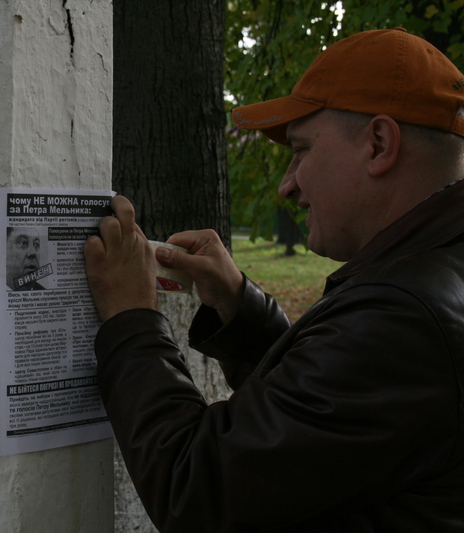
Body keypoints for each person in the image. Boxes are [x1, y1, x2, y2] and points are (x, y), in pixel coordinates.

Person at [84, 28, 464, 532]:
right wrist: (241, 311)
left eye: (301, 150)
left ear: (378, 144)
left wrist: (132, 318)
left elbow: (197, 487)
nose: (287, 185)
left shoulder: (404, 317)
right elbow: (325, 431)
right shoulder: (434, 272)